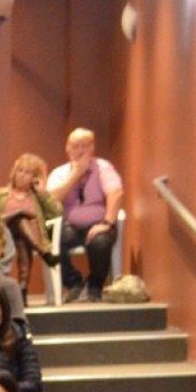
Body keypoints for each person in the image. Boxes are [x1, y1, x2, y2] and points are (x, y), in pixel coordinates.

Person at [47, 128, 124, 302]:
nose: (80, 151)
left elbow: (116, 193)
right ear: (67, 148)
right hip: (70, 226)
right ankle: (74, 283)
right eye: (76, 146)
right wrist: (76, 174)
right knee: (51, 239)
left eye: (85, 146)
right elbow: (52, 200)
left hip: (100, 223)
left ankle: (95, 285)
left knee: (101, 241)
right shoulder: (60, 173)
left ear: (92, 148)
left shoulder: (103, 167)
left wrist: (106, 222)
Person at [1, 153, 61, 296]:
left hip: (28, 238)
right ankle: (43, 253)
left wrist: (43, 193)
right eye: (20, 170)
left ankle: (22, 288)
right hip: (4, 236)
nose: (21, 175)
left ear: (35, 178)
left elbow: (57, 213)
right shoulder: (0, 194)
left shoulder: (37, 197)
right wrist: (17, 213)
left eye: (27, 173)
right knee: (19, 218)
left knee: (22, 239)